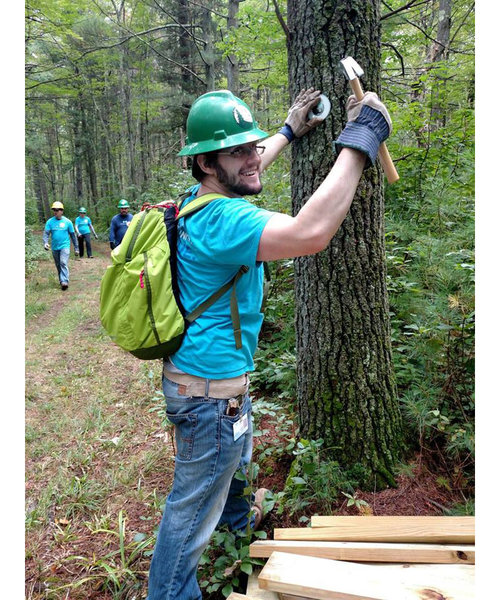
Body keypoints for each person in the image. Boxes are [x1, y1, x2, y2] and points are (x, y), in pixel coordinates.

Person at [146, 88, 392, 600]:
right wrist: (361, 136)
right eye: (238, 150)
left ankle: (239, 527)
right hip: (209, 398)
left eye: (253, 145)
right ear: (206, 163)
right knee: (189, 514)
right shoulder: (224, 220)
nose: (253, 157)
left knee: (235, 464)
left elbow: (246, 176)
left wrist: (285, 131)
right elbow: (311, 231)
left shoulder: (201, 202)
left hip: (204, 381)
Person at [43, 201, 79, 290]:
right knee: (58, 265)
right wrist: (45, 242)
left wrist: (76, 248)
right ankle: (61, 280)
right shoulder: (50, 222)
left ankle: (65, 281)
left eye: (57, 210)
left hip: (65, 246)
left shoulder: (68, 222)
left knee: (63, 262)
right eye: (54, 210)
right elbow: (46, 234)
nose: (55, 211)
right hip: (55, 247)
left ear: (62, 211)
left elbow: (73, 236)